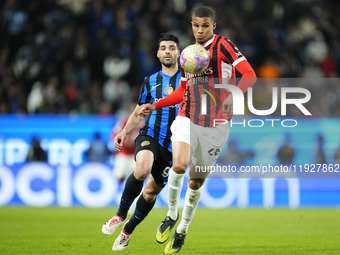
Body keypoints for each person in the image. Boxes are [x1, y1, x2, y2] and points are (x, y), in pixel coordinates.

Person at [140, 6, 257, 253]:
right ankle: (171, 214)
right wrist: (156, 105)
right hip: (188, 116)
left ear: (213, 26)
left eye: (205, 25)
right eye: (196, 25)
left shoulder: (223, 45)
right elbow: (183, 91)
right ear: (191, 25)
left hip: (216, 124)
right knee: (179, 165)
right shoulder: (189, 54)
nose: (200, 30)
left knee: (195, 182)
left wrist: (233, 93)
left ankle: (182, 229)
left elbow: (249, 75)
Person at [101, 33, 182, 251]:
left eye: (172, 47)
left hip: (174, 147)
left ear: (178, 53)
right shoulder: (150, 81)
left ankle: (128, 230)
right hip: (150, 136)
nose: (167, 51)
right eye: (163, 47)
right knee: (142, 169)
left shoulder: (189, 80)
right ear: (158, 53)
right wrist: (124, 132)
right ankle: (119, 215)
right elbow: (138, 112)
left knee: (150, 193)